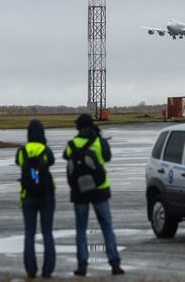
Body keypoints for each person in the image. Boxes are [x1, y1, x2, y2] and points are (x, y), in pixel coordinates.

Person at [63, 114, 125, 276]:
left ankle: (82, 265)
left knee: (81, 229)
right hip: (100, 190)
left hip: (79, 192)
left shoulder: (72, 144)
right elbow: (108, 157)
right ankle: (114, 263)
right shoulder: (99, 141)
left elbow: (65, 156)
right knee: (107, 226)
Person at [15, 119, 56, 279]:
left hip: (28, 196)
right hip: (46, 195)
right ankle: (48, 270)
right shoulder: (45, 150)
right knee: (47, 233)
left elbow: (18, 163)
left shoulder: (22, 151)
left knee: (29, 234)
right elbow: (51, 161)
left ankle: (31, 270)